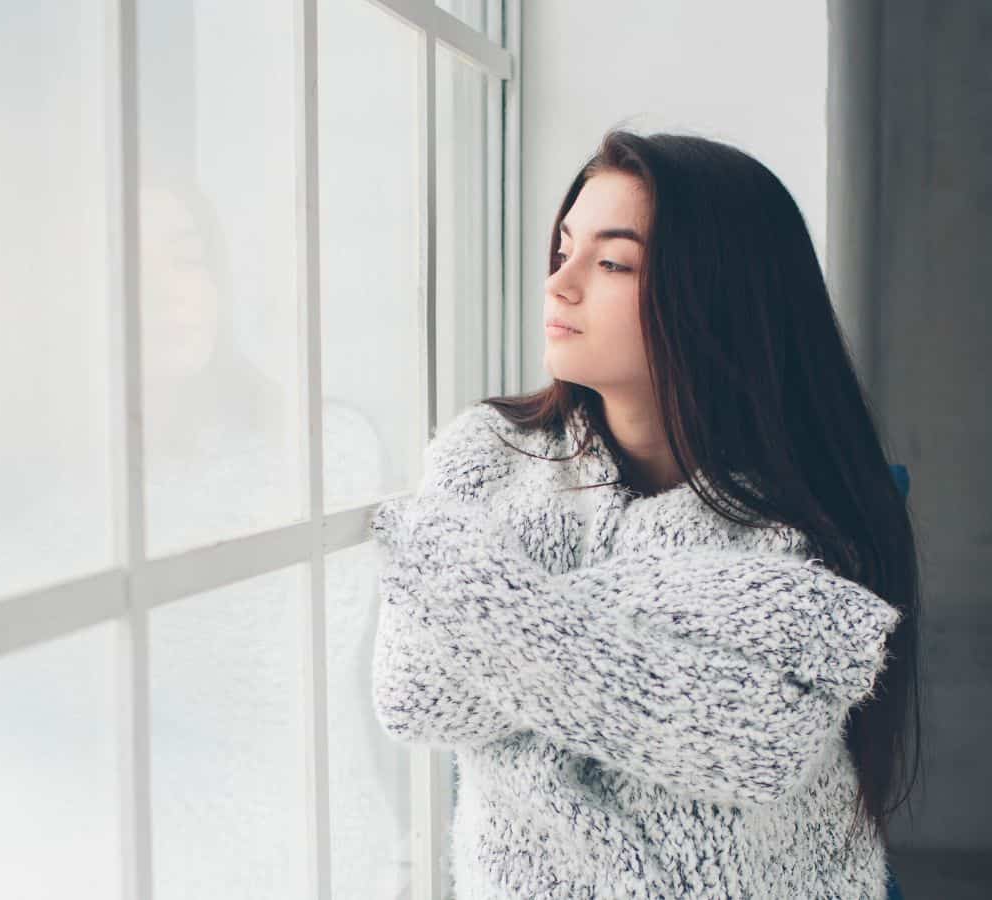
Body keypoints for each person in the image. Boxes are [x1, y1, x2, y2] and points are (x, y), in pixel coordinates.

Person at [368, 128, 922, 899]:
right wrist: (664, 628)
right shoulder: (485, 452)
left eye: (613, 262)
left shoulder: (811, 511)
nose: (560, 284)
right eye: (563, 249)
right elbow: (415, 690)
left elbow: (757, 737)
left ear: (718, 297)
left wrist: (486, 599)